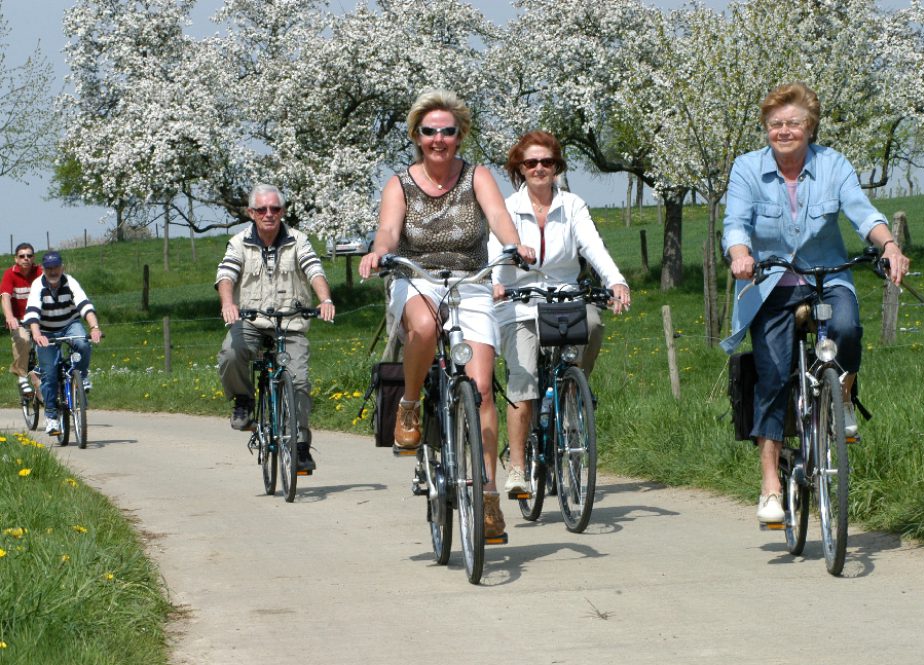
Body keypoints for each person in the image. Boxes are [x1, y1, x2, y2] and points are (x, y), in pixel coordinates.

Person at [722, 82, 909, 523]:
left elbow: (862, 212)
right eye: (775, 124)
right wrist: (740, 255)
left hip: (826, 276)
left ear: (810, 128)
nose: (784, 131)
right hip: (769, 284)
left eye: (793, 123)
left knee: (844, 327)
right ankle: (769, 482)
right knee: (772, 378)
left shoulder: (832, 164)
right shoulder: (747, 168)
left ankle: (841, 396)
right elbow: (735, 222)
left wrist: (889, 247)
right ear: (766, 128)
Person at [358, 90, 535, 539]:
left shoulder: (477, 176)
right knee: (421, 325)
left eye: (448, 131)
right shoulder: (400, 183)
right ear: (417, 136)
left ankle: (489, 497)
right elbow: (389, 229)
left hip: (470, 279)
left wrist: (516, 245)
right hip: (416, 276)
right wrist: (380, 253)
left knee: (481, 388)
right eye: (430, 131)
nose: (439, 139)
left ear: (460, 136)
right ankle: (411, 406)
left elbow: (498, 217)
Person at [489, 130, 630, 495]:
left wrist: (615, 281)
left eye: (546, 162)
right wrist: (496, 282)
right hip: (518, 301)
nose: (539, 168)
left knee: (595, 322)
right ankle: (519, 468)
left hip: (564, 296)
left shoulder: (573, 205)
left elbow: (593, 246)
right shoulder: (505, 208)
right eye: (531, 162)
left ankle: (572, 390)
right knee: (522, 379)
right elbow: (495, 253)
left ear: (557, 167)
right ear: (519, 168)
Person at [216, 184, 336, 474]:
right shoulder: (239, 242)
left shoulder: (298, 240)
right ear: (251, 213)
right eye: (261, 209)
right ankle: (243, 401)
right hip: (252, 320)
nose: (269, 214)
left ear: (282, 211)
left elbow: (313, 269)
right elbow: (226, 274)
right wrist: (228, 304)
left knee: (298, 382)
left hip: (290, 322)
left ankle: (299, 445)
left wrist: (325, 299)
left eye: (275, 209)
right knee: (231, 353)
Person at [23, 251, 102, 436]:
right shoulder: (37, 285)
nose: (52, 271)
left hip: (69, 325)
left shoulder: (70, 281)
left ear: (62, 268)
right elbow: (33, 312)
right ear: (43, 269)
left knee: (82, 343)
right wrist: (37, 334)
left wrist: (95, 328)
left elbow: (85, 305)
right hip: (45, 330)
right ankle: (51, 417)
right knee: (49, 373)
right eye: (49, 268)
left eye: (56, 267)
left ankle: (80, 377)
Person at [1, 243, 43, 397]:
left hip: (39, 320)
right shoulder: (9, 274)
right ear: (16, 259)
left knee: (52, 343)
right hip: (19, 320)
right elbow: (5, 297)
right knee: (23, 340)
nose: (26, 258)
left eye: (29, 255)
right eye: (22, 256)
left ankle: (45, 380)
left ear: (33, 258)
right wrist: (9, 316)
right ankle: (22, 377)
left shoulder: (40, 272)